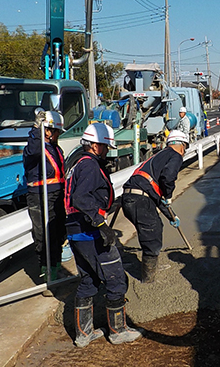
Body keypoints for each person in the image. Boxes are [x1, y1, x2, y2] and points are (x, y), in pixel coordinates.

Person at [64, 122, 143, 347]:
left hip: (76, 231)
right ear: (96, 146)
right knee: (116, 277)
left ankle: (84, 334)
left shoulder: (77, 162)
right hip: (89, 232)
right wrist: (100, 223)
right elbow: (81, 198)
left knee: (88, 279)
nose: (108, 151)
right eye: (106, 147)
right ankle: (118, 331)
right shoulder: (89, 165)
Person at [121, 130, 189, 283]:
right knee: (152, 234)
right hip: (139, 199)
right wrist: (170, 194)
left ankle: (150, 266)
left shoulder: (158, 157)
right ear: (181, 145)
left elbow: (156, 194)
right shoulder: (175, 155)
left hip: (130, 198)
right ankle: (148, 279)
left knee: (154, 226)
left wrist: (171, 215)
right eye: (185, 148)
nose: (184, 152)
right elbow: (168, 177)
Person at [23, 110, 66, 281]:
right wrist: (36, 128)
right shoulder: (35, 149)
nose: (58, 135)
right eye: (56, 131)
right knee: (44, 236)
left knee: (58, 233)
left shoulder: (55, 148)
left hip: (56, 195)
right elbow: (33, 150)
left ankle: (56, 267)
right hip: (40, 197)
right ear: (47, 131)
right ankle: (46, 272)